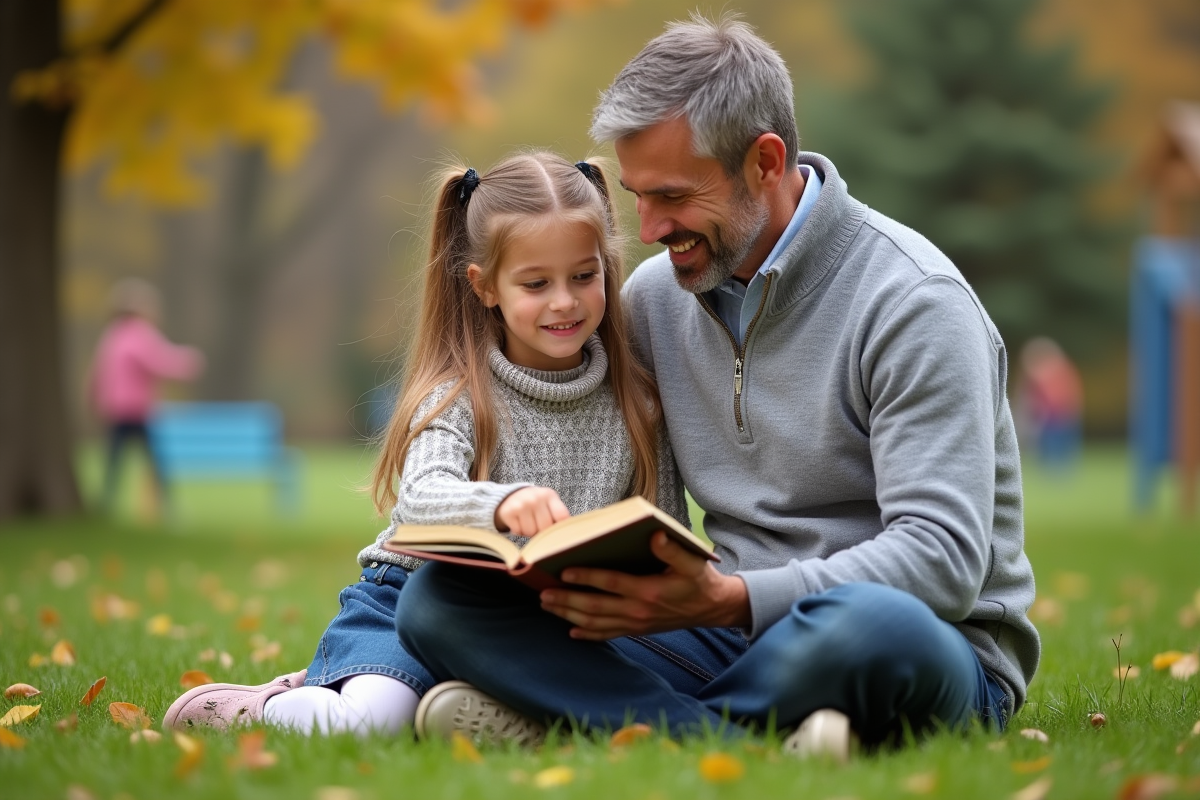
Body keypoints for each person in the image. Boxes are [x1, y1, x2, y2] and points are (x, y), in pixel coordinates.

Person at [395, 15, 1040, 757]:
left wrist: (734, 599)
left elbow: (941, 561)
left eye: (670, 196)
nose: (646, 227)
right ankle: (733, 736)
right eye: (636, 195)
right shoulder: (654, 300)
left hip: (912, 641)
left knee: (871, 626)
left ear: (764, 161)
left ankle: (590, 717)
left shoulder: (913, 304)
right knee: (442, 603)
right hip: (711, 629)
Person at [160, 151, 688, 739]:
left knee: (644, 687)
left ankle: (471, 702)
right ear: (485, 287)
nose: (564, 301)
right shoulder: (458, 395)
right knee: (374, 723)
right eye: (536, 284)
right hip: (408, 601)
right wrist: (499, 504)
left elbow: (660, 527)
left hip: (544, 623)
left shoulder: (635, 398)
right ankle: (268, 707)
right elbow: (420, 498)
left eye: (583, 277)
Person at [88, 278, 204, 515]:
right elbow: (158, 362)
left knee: (116, 459)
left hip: (115, 408)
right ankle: (167, 504)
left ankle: (106, 502)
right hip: (136, 409)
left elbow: (97, 372)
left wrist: (94, 399)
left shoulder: (112, 335)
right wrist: (189, 363)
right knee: (155, 459)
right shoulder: (140, 333)